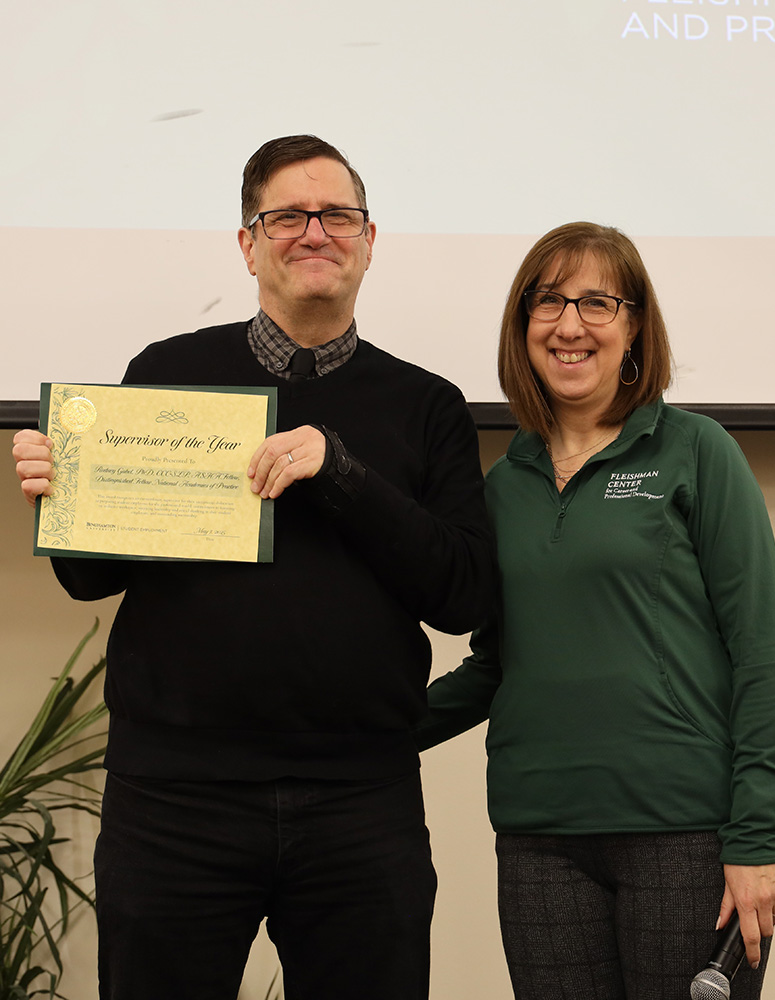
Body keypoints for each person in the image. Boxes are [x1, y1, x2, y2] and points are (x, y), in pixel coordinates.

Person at [12, 135, 495, 1000]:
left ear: (369, 239)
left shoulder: (429, 405)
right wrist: (60, 495)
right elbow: (88, 576)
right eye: (288, 217)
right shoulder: (168, 373)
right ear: (248, 243)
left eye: (337, 215)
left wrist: (339, 472)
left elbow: (461, 594)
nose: (316, 232)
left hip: (361, 802)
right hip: (173, 804)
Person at [415, 222, 775, 1000]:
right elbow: (498, 664)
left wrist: (757, 835)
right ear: (523, 328)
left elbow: (764, 654)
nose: (570, 323)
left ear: (633, 327)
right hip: (538, 840)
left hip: (683, 838)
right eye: (548, 301)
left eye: (597, 301)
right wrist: (365, 728)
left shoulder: (696, 451)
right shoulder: (503, 486)